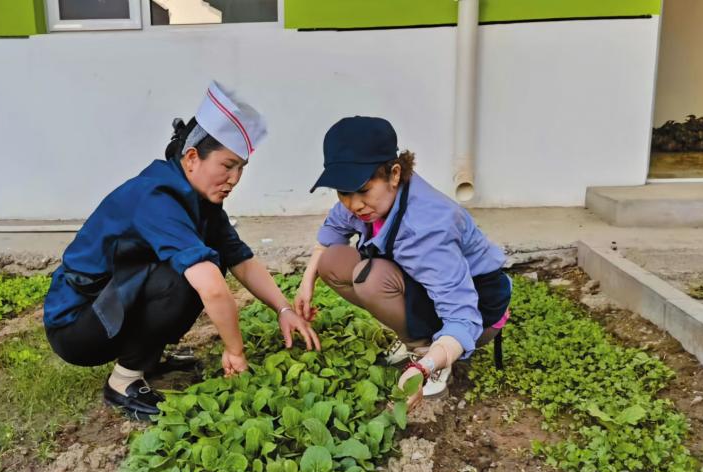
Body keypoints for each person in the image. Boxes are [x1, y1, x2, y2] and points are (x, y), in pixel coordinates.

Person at [43, 82, 320, 420]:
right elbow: (213, 288)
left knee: (201, 263)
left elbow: (241, 260)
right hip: (77, 326)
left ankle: (145, 359)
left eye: (241, 169)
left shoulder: (201, 201)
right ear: (191, 158)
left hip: (109, 308)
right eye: (227, 165)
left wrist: (283, 309)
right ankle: (123, 383)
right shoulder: (157, 197)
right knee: (188, 277)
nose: (234, 179)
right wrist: (235, 351)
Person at [294, 116, 510, 404]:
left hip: (479, 308)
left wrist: (425, 366)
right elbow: (333, 230)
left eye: (362, 190)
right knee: (332, 261)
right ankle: (415, 334)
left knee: (371, 278)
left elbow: (463, 317)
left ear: (394, 174)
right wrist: (306, 282)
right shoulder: (370, 200)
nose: (354, 204)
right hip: (427, 288)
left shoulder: (427, 228)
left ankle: (429, 352)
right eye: (343, 192)